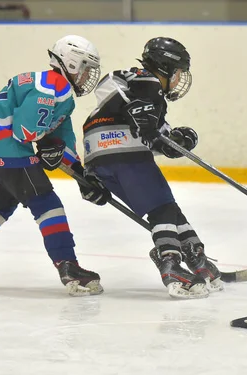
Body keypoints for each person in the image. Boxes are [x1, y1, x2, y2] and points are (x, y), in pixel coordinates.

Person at [0, 35, 111, 297]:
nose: (87, 76)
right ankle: (67, 266)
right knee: (47, 203)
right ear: (70, 64)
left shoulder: (45, 85)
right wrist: (44, 140)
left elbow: (61, 139)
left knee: (0, 202)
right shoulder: (53, 85)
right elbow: (26, 130)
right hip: (8, 149)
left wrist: (81, 175)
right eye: (85, 68)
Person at [80, 37, 222, 299]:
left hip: (100, 159)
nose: (179, 80)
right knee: (162, 209)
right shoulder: (143, 79)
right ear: (165, 67)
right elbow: (109, 86)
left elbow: (153, 135)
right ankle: (170, 263)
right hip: (124, 152)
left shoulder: (151, 99)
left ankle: (196, 257)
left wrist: (177, 139)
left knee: (168, 208)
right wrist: (137, 110)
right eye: (178, 73)